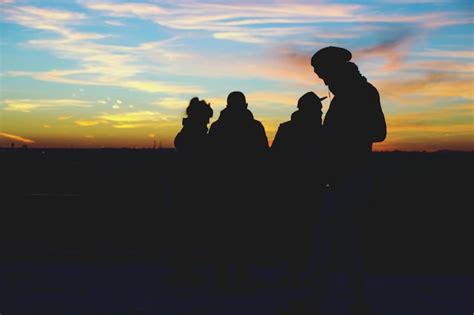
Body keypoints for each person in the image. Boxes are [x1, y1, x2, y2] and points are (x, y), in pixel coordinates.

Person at [306, 46, 386, 315]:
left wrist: (341, 139)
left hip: (350, 178)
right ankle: (352, 300)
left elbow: (378, 131)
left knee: (336, 240)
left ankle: (330, 300)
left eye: (322, 73)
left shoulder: (359, 93)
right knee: (341, 241)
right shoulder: (349, 94)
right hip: (341, 177)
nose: (322, 79)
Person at [208, 91, 268, 157]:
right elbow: (264, 154)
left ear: (227, 106)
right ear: (246, 105)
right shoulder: (256, 127)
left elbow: (210, 153)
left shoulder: (216, 127)